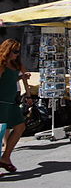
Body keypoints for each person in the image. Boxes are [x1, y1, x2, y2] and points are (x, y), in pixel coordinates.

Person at [0, 39, 28, 173]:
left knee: (20, 127)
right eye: (15, 51)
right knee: (0, 132)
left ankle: (5, 157)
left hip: (12, 102)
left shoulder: (14, 64)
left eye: (18, 51)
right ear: (8, 50)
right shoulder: (2, 64)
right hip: (2, 102)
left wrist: (19, 78)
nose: (17, 54)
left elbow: (9, 80)